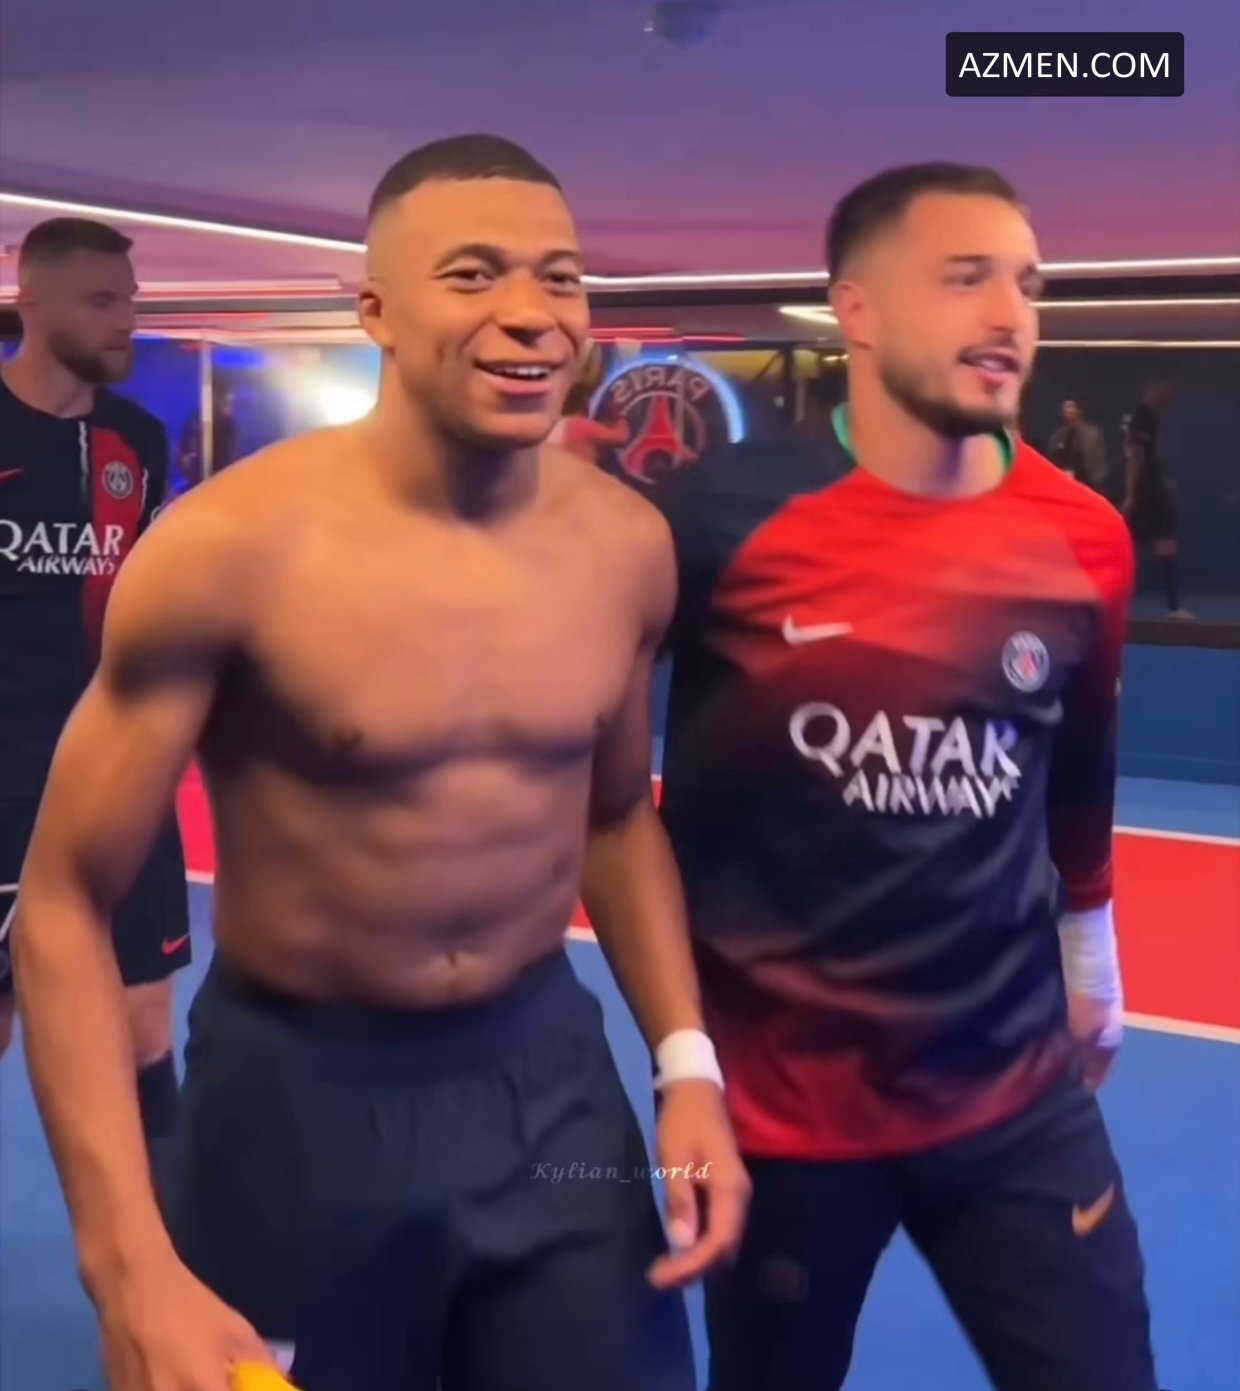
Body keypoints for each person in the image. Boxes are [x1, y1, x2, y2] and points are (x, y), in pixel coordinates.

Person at [14, 134, 747, 1391]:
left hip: (549, 1097)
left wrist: (687, 1064)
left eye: (560, 277)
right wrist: (125, 1264)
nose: (530, 312)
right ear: (375, 313)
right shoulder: (226, 549)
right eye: (472, 274)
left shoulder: (626, 547)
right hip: (294, 1106)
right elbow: (66, 901)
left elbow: (617, 816)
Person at [647, 163, 1158, 1391]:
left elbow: (1079, 762)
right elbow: (605, 790)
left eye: (1028, 284)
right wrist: (685, 1063)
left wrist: (1089, 947)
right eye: (965, 277)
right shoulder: (710, 520)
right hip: (785, 1113)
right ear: (857, 310)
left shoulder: (1083, 536)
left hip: (1016, 1092)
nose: (1010, 313)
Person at [0, 217, 189, 1180]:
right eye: (101, 301)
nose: (126, 320)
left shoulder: (137, 440)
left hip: (119, 780)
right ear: (29, 301)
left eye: (131, 301)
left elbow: (146, 595)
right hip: (4, 788)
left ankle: (164, 1251)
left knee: (146, 1029)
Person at [1123, 382, 1191, 617]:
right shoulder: (1143, 416)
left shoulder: (1151, 416)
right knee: (1145, 541)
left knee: (1161, 540)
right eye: (1167, 389)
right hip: (1146, 490)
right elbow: (1136, 455)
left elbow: (1151, 455)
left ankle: (1174, 606)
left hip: (1152, 487)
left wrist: (1164, 480)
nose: (1171, 395)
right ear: (1154, 388)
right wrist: (1132, 493)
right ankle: (1173, 606)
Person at [1049, 397, 1107, 491]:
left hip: (1085, 485)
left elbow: (1096, 463)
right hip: (1061, 484)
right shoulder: (1058, 435)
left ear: (1079, 410)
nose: (1067, 410)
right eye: (1065, 407)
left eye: (1070, 407)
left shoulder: (1091, 434)